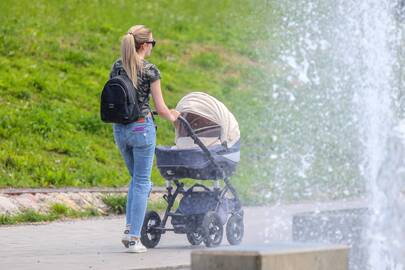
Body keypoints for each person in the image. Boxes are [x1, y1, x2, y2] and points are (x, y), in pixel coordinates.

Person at [109, 25, 180, 253]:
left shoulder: (117, 66)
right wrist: (174, 115)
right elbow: (161, 107)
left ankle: (130, 228)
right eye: (152, 42)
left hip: (120, 130)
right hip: (141, 128)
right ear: (145, 45)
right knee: (141, 182)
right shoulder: (150, 70)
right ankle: (132, 238)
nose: (152, 46)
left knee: (136, 181)